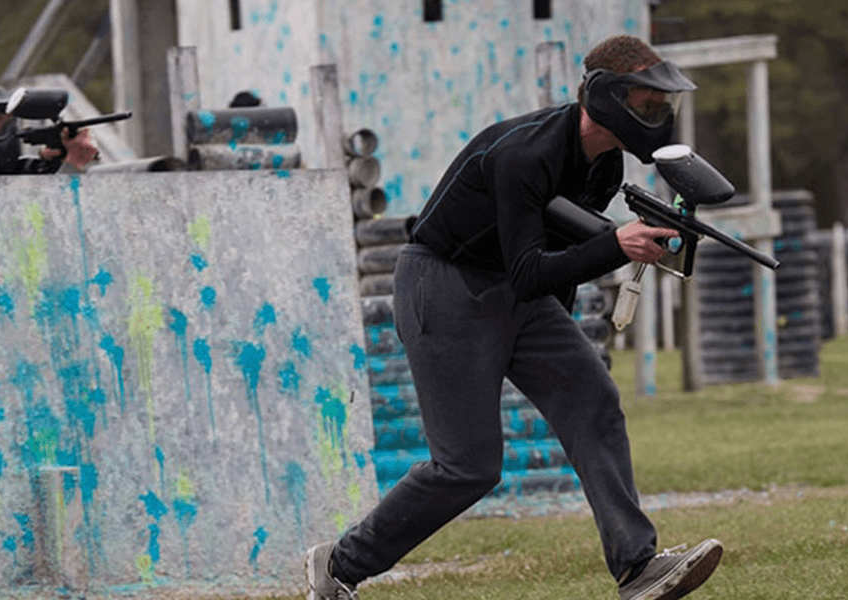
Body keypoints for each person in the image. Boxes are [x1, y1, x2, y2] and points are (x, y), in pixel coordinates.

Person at [305, 34, 723, 600]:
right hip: (445, 285)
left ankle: (637, 568)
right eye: (647, 103)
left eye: (661, 105)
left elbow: (557, 262)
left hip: (517, 295)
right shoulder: (525, 154)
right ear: (605, 97)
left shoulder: (603, 166)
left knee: (592, 401)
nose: (657, 115)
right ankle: (339, 564)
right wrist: (617, 247)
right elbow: (533, 269)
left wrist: (577, 331)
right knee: (467, 468)